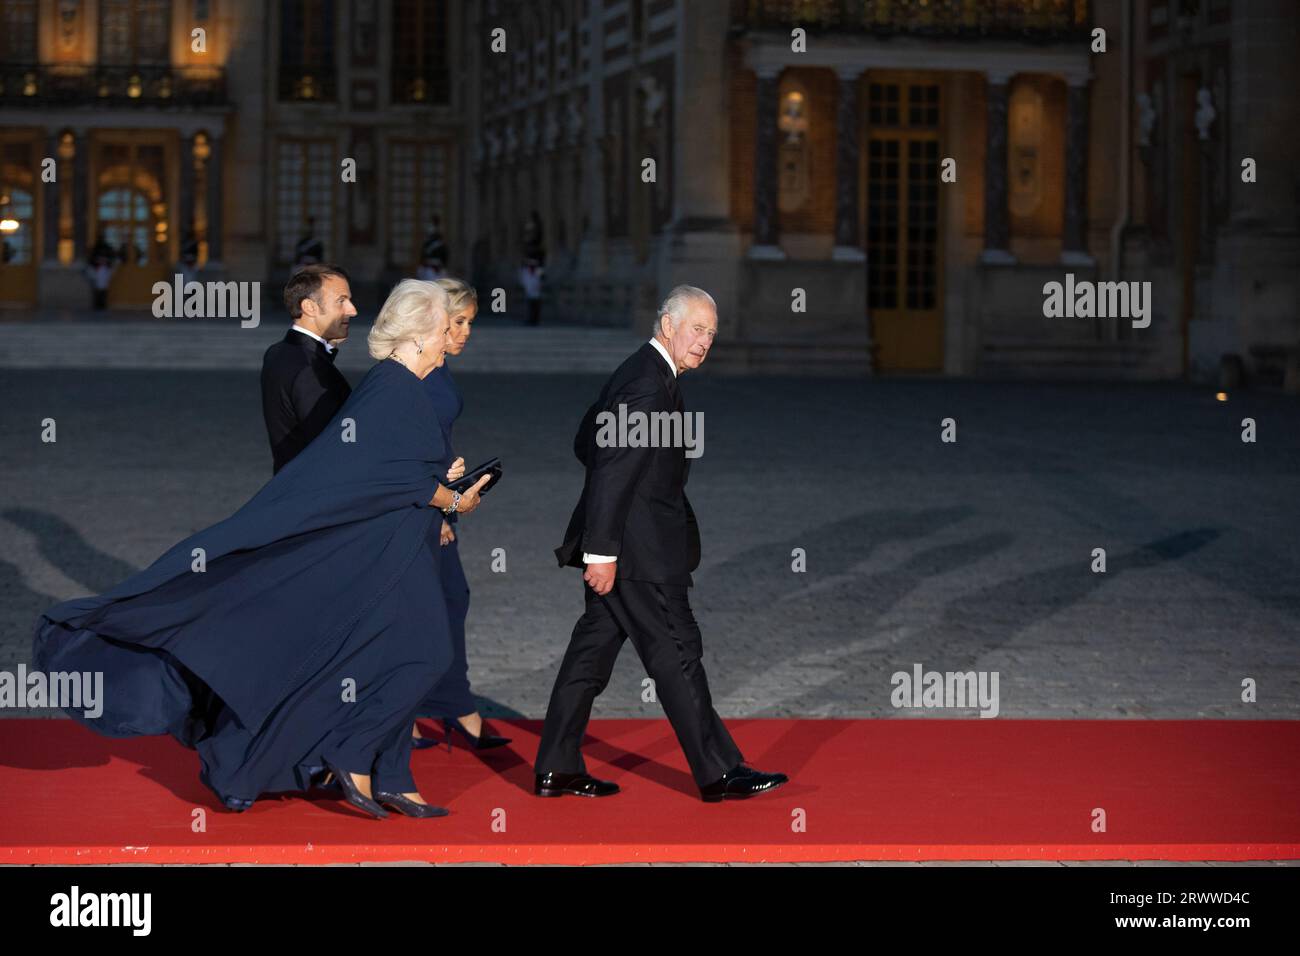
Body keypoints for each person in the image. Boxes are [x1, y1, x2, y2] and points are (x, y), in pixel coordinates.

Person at [31, 280, 495, 819]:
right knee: (423, 653)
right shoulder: (391, 386)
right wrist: (451, 500)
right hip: (376, 548)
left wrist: (442, 478)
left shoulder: (402, 386)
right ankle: (344, 755)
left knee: (386, 656)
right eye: (445, 330)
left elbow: (389, 465)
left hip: (395, 544)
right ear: (418, 334)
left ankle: (379, 771)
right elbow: (371, 475)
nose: (450, 340)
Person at [534, 285, 788, 802]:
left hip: (631, 546)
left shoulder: (642, 373)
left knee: (590, 657)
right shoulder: (648, 383)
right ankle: (719, 772)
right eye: (697, 330)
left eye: (712, 335)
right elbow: (611, 466)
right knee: (678, 652)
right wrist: (604, 552)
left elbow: (589, 441)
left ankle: (556, 766)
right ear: (668, 325)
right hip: (638, 554)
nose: (704, 343)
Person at [410, 278, 511, 752]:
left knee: (444, 601)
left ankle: (441, 707)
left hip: (438, 499)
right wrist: (444, 511)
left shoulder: (438, 368)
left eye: (471, 322)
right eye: (460, 321)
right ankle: (443, 709)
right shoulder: (420, 372)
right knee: (441, 602)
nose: (467, 331)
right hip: (425, 509)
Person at [260, 264, 355, 474]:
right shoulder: (312, 369)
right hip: (317, 491)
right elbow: (339, 444)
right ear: (310, 308)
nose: (353, 310)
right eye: (341, 301)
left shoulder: (277, 352)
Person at [519, 258, 543, 326]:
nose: (532, 268)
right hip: (529, 293)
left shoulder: (538, 272)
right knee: (529, 308)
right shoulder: (525, 272)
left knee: (536, 309)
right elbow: (524, 282)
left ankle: (535, 321)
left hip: (537, 294)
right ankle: (529, 320)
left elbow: (541, 279)